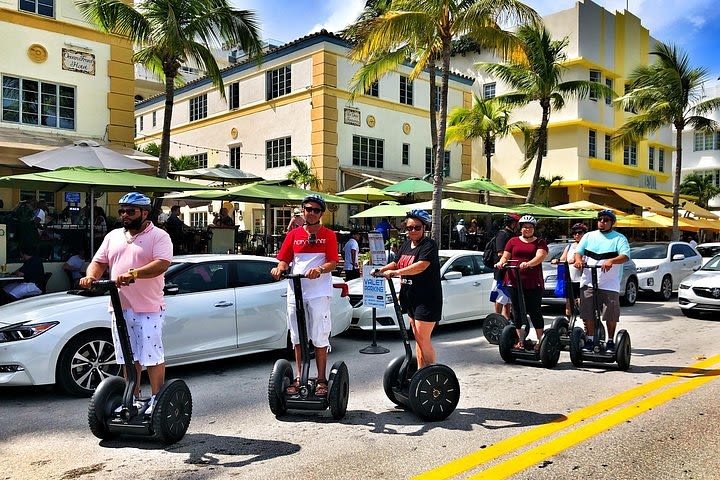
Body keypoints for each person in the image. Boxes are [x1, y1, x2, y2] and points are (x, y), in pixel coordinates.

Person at [79, 192, 173, 415]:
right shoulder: (113, 236)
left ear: (144, 213)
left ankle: (156, 400)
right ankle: (133, 397)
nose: (125, 215)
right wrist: (91, 276)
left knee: (152, 355)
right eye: (122, 211)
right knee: (128, 357)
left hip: (148, 307)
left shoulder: (159, 236)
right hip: (120, 307)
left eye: (130, 211)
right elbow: (99, 262)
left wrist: (135, 274)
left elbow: (162, 264)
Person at [271, 194, 338, 397]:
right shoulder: (293, 234)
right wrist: (279, 268)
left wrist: (320, 269)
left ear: (321, 213)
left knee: (319, 335)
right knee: (298, 337)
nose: (311, 213)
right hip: (296, 290)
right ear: (303, 211)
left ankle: (321, 379)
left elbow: (333, 262)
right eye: (308, 209)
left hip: (318, 292)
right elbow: (284, 259)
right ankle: (300, 377)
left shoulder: (328, 235)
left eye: (316, 210)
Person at [374, 210, 441, 368]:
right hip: (410, 298)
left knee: (423, 339)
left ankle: (432, 373)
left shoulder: (429, 245)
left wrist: (396, 273)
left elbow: (421, 266)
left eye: (417, 227)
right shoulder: (406, 245)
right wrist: (381, 270)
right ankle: (421, 371)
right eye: (410, 227)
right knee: (417, 338)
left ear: (424, 227)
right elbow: (397, 263)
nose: (413, 231)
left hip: (427, 299)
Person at [573, 209, 630, 352]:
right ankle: (590, 340)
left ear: (612, 223)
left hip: (609, 283)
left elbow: (625, 256)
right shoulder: (588, 236)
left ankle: (610, 341)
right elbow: (578, 252)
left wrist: (612, 260)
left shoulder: (619, 238)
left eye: (606, 220)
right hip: (588, 281)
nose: (602, 222)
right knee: (588, 313)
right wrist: (578, 260)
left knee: (610, 313)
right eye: (600, 219)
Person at [495, 215, 547, 351]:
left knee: (534, 310)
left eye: (530, 227)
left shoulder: (540, 242)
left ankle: (540, 340)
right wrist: (501, 263)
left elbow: (540, 256)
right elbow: (506, 255)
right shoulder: (512, 241)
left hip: (533, 281)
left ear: (534, 229)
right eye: (525, 227)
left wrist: (529, 264)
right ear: (521, 228)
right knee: (517, 311)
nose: (527, 229)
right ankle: (521, 340)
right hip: (513, 280)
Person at [491, 213, 520, 319]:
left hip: (511, 271)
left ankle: (506, 319)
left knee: (507, 299)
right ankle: (497, 318)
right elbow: (500, 253)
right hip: (501, 271)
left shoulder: (513, 235)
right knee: (500, 297)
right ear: (513, 223)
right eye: (517, 223)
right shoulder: (503, 234)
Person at [558, 223, 588, 317]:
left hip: (582, 279)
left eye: (579, 233)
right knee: (568, 301)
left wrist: (578, 260)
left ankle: (586, 323)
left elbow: (586, 260)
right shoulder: (569, 246)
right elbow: (563, 258)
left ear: (584, 234)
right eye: (574, 233)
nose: (577, 235)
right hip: (570, 278)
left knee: (581, 302)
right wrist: (557, 260)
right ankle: (568, 324)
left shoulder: (587, 246)